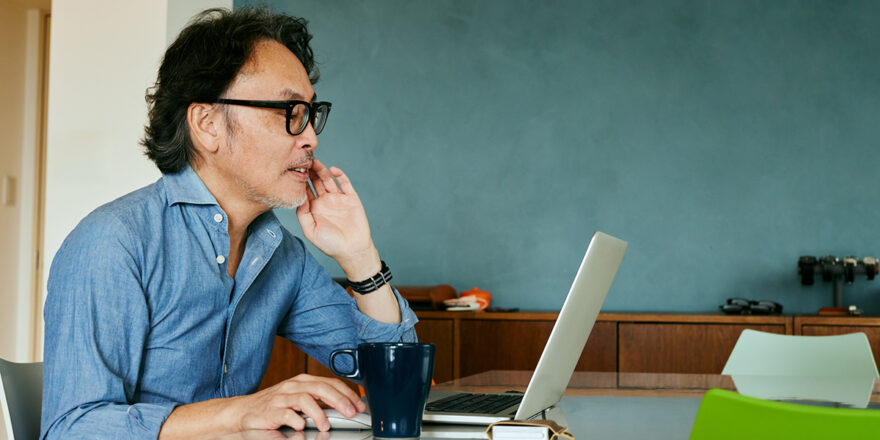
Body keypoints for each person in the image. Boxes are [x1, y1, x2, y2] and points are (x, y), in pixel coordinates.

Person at [40, 7, 418, 439]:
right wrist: (239, 414)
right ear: (207, 125)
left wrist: (359, 256)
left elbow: (398, 379)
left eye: (312, 113)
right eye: (290, 111)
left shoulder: (281, 254)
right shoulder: (114, 242)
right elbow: (72, 429)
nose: (311, 136)